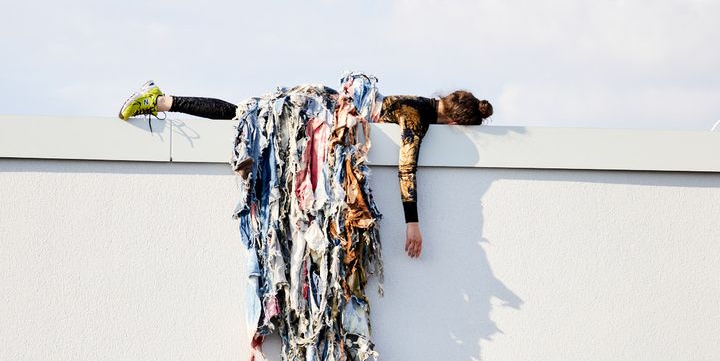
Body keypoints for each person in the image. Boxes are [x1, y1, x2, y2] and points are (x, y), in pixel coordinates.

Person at [118, 81, 493, 257]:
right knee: (240, 116)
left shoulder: (418, 101)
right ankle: (162, 99)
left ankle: (164, 99)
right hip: (313, 115)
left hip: (317, 103)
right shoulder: (417, 117)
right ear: (455, 122)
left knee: (240, 113)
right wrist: (413, 222)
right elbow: (406, 168)